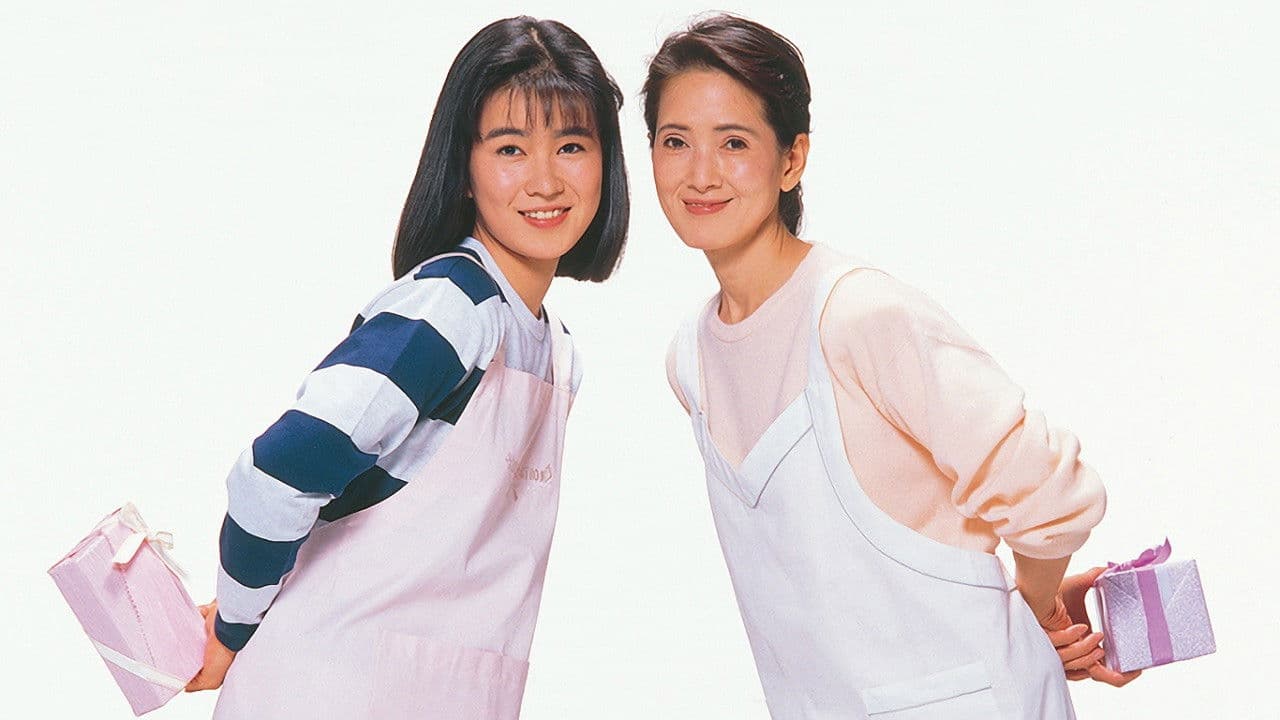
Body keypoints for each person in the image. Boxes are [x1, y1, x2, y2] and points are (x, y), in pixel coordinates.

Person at [645, 13, 1135, 719]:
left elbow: (1050, 492)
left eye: (734, 142)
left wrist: (1029, 616)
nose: (700, 173)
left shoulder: (857, 316)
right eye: (675, 141)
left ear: (792, 159)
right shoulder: (691, 360)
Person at [183, 16, 628, 719]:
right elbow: (276, 473)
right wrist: (231, 627)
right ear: (464, 169)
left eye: (571, 145)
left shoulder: (555, 352)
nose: (545, 179)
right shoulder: (450, 308)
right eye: (510, 148)